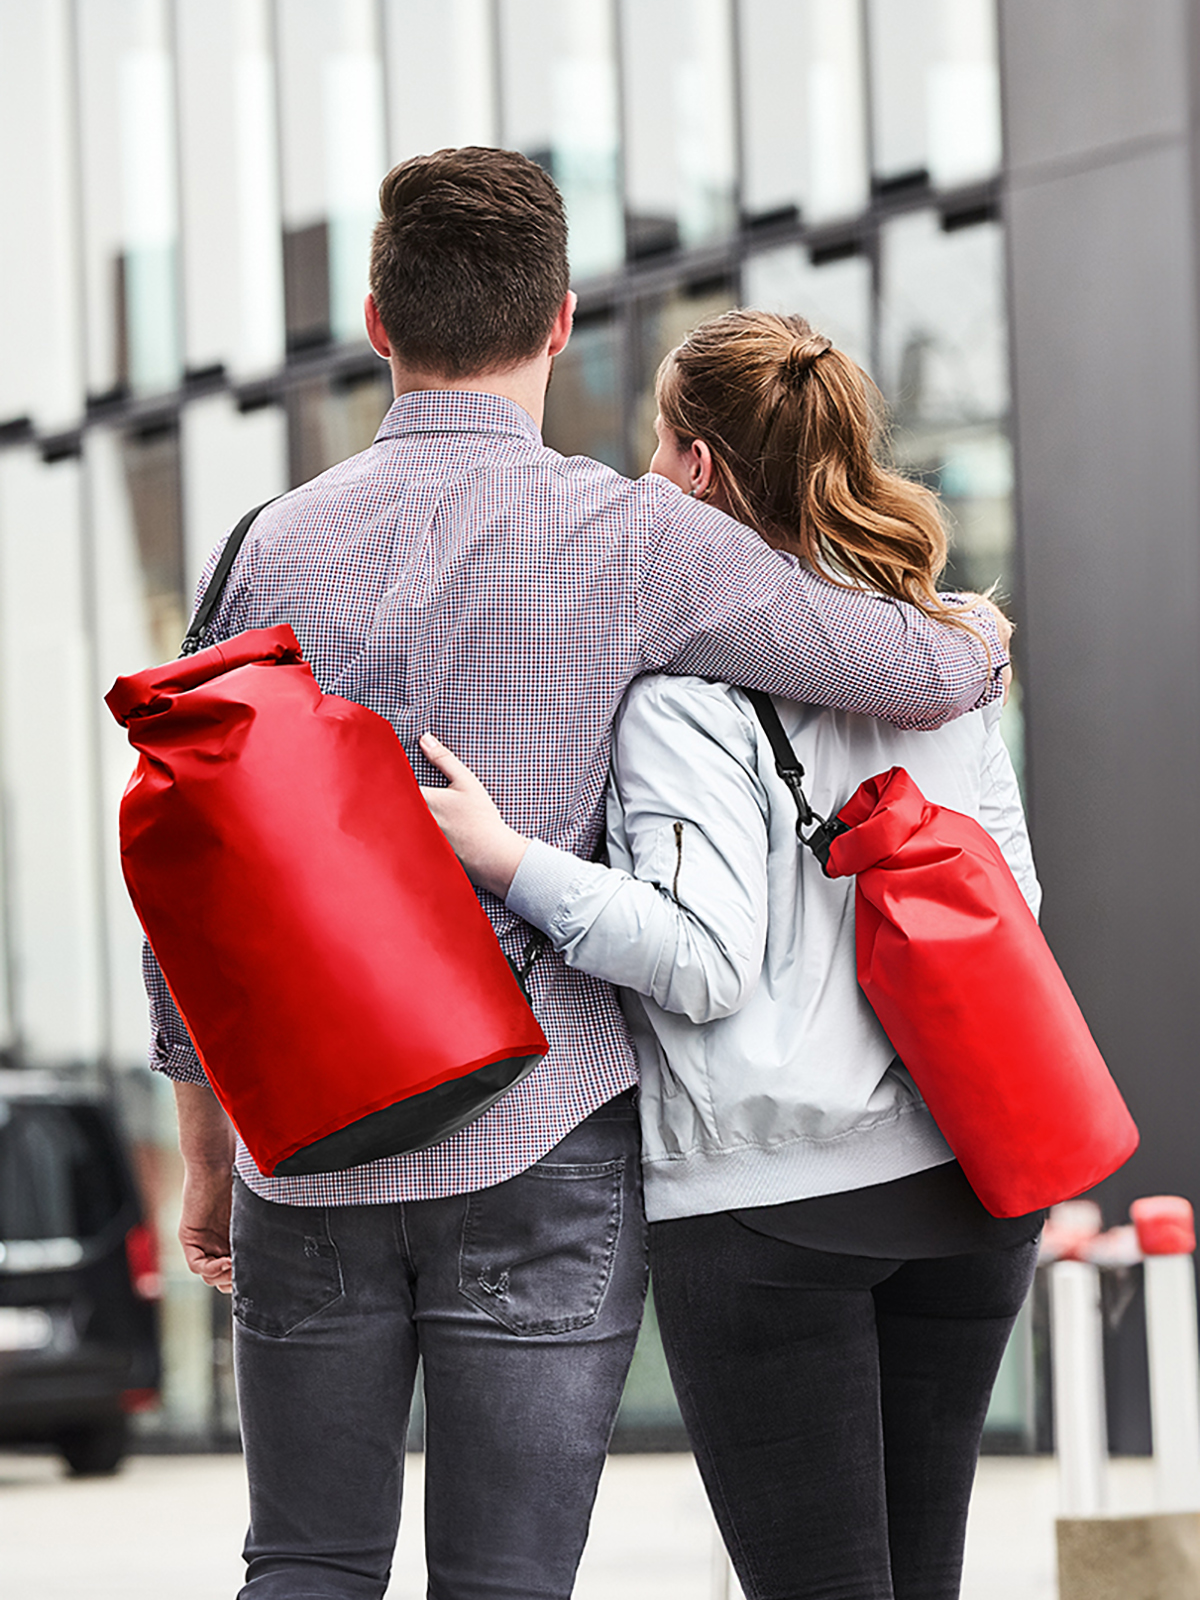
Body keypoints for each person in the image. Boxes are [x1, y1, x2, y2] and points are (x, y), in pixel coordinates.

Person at [148, 150, 1010, 1600]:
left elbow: (191, 873)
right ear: (558, 324)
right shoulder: (639, 537)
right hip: (543, 1145)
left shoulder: (265, 544)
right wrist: (978, 633)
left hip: (306, 1146)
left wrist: (208, 1148)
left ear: (375, 322)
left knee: (303, 1564)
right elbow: (906, 672)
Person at [420, 309, 1043, 1600]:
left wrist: (504, 859)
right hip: (968, 1191)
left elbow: (705, 961)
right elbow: (1014, 914)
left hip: (773, 1215)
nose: (647, 472)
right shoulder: (939, 661)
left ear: (699, 467)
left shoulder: (688, 691)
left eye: (659, 441)